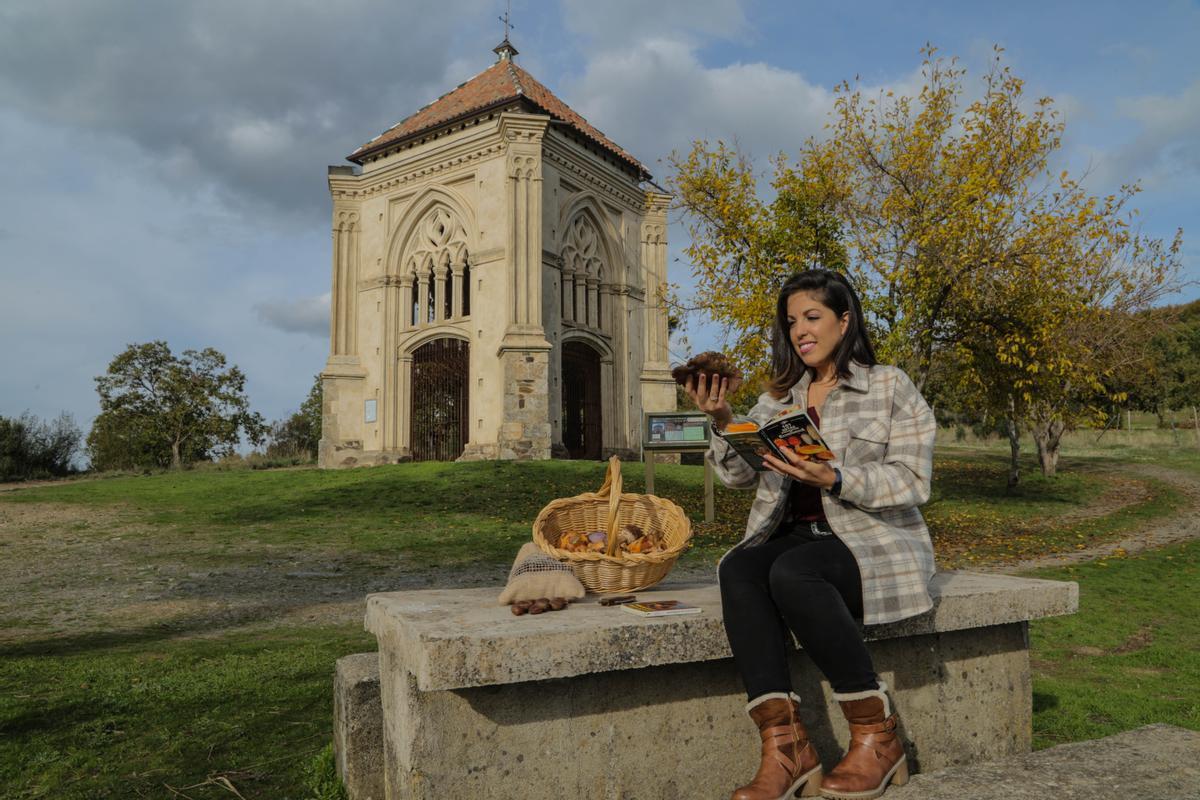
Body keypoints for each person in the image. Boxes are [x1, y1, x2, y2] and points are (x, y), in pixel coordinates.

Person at [684, 269, 936, 800]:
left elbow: (914, 481)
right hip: (796, 536)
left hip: (869, 540)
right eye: (792, 320)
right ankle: (787, 748)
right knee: (739, 566)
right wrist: (725, 418)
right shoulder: (778, 399)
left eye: (812, 317)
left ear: (844, 321)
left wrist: (838, 476)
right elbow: (738, 476)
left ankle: (877, 736)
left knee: (793, 572)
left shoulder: (890, 385)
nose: (800, 330)